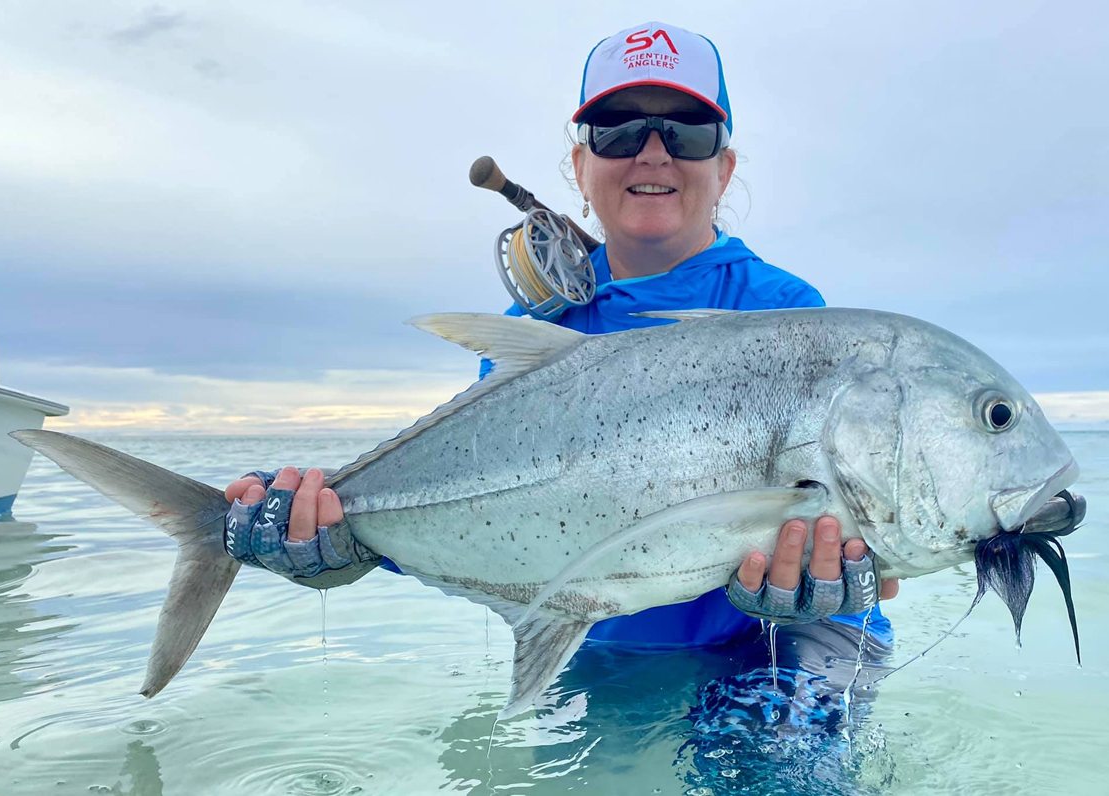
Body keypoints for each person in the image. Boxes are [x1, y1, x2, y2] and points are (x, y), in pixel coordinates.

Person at [223, 22, 898, 654]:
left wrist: (834, 583)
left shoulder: (783, 317)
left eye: (687, 130)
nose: (653, 150)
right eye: (617, 129)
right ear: (579, 166)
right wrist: (336, 541)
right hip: (602, 657)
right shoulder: (536, 335)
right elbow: (483, 517)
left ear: (724, 167)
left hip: (780, 648)